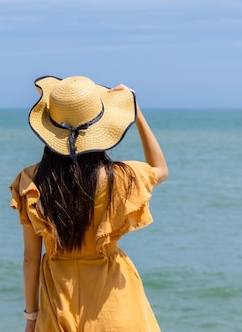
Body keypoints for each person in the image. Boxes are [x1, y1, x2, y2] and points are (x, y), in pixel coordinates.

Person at [9, 75, 168, 332]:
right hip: (114, 301)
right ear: (102, 126)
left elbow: (30, 259)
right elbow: (160, 168)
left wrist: (31, 318)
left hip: (59, 298)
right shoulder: (121, 177)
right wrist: (136, 114)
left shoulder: (31, 180)